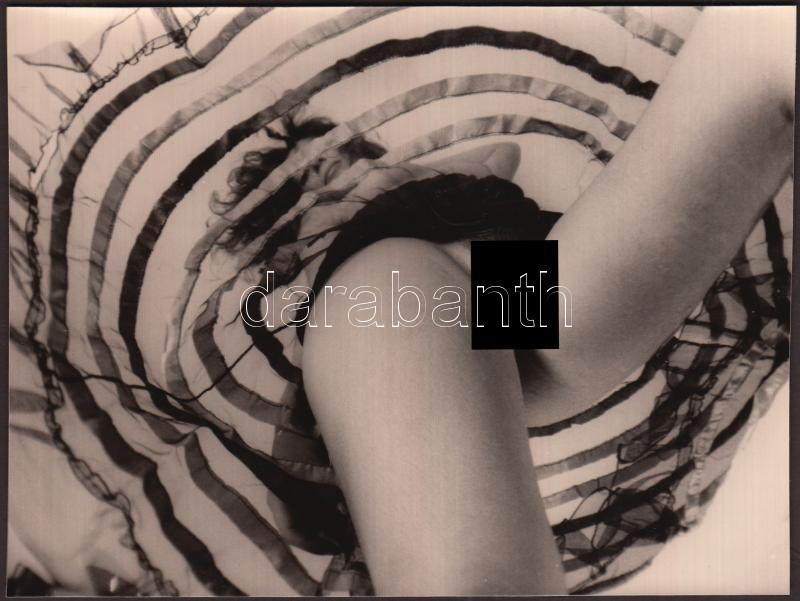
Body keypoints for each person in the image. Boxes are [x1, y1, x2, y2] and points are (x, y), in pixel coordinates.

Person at [284, 8, 793, 595]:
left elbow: (504, 158)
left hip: (514, 291)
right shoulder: (343, 265)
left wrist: (414, 178)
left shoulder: (421, 196)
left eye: (342, 153)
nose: (335, 168)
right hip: (409, 293)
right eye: (312, 172)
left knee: (759, 47)